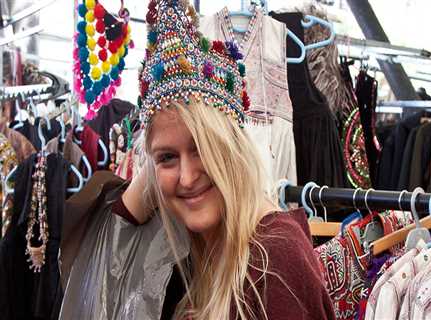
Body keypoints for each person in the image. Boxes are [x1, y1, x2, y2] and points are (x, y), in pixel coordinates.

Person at [60, 0, 335, 319]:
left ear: (234, 149)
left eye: (202, 149)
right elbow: (105, 260)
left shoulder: (272, 261)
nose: (188, 177)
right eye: (168, 157)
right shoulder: (209, 248)